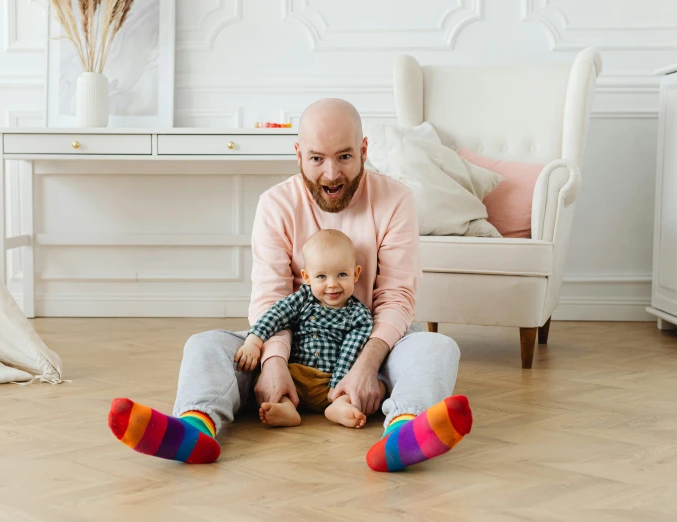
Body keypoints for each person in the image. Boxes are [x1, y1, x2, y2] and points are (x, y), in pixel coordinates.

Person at [108, 98, 472, 471]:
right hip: (290, 348)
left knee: (437, 347)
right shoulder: (276, 204)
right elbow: (273, 298)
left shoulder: (395, 199)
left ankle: (403, 433)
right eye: (317, 159)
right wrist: (274, 362)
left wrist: (364, 367)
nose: (331, 174)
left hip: (369, 348)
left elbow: (396, 297)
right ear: (298, 154)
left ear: (364, 150)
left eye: (345, 157)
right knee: (204, 344)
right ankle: (195, 429)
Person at [235, 228, 381, 429]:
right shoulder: (303, 298)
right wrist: (254, 340)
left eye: (341, 274)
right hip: (295, 376)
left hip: (330, 380)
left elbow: (351, 352)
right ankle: (286, 407)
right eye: (321, 276)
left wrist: (336, 387)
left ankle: (338, 406)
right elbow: (276, 314)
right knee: (265, 377)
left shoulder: (359, 315)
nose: (332, 284)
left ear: (355, 274)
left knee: (370, 387)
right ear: (307, 277)